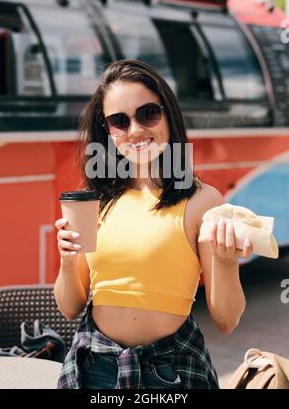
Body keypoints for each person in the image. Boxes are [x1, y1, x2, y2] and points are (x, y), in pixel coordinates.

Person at [54, 59, 253, 389]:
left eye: (148, 113)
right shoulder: (93, 199)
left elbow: (227, 320)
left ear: (168, 115)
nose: (135, 131)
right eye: (119, 121)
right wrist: (66, 259)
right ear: (107, 130)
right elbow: (70, 307)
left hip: (170, 371)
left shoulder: (201, 200)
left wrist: (226, 262)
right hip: (93, 367)